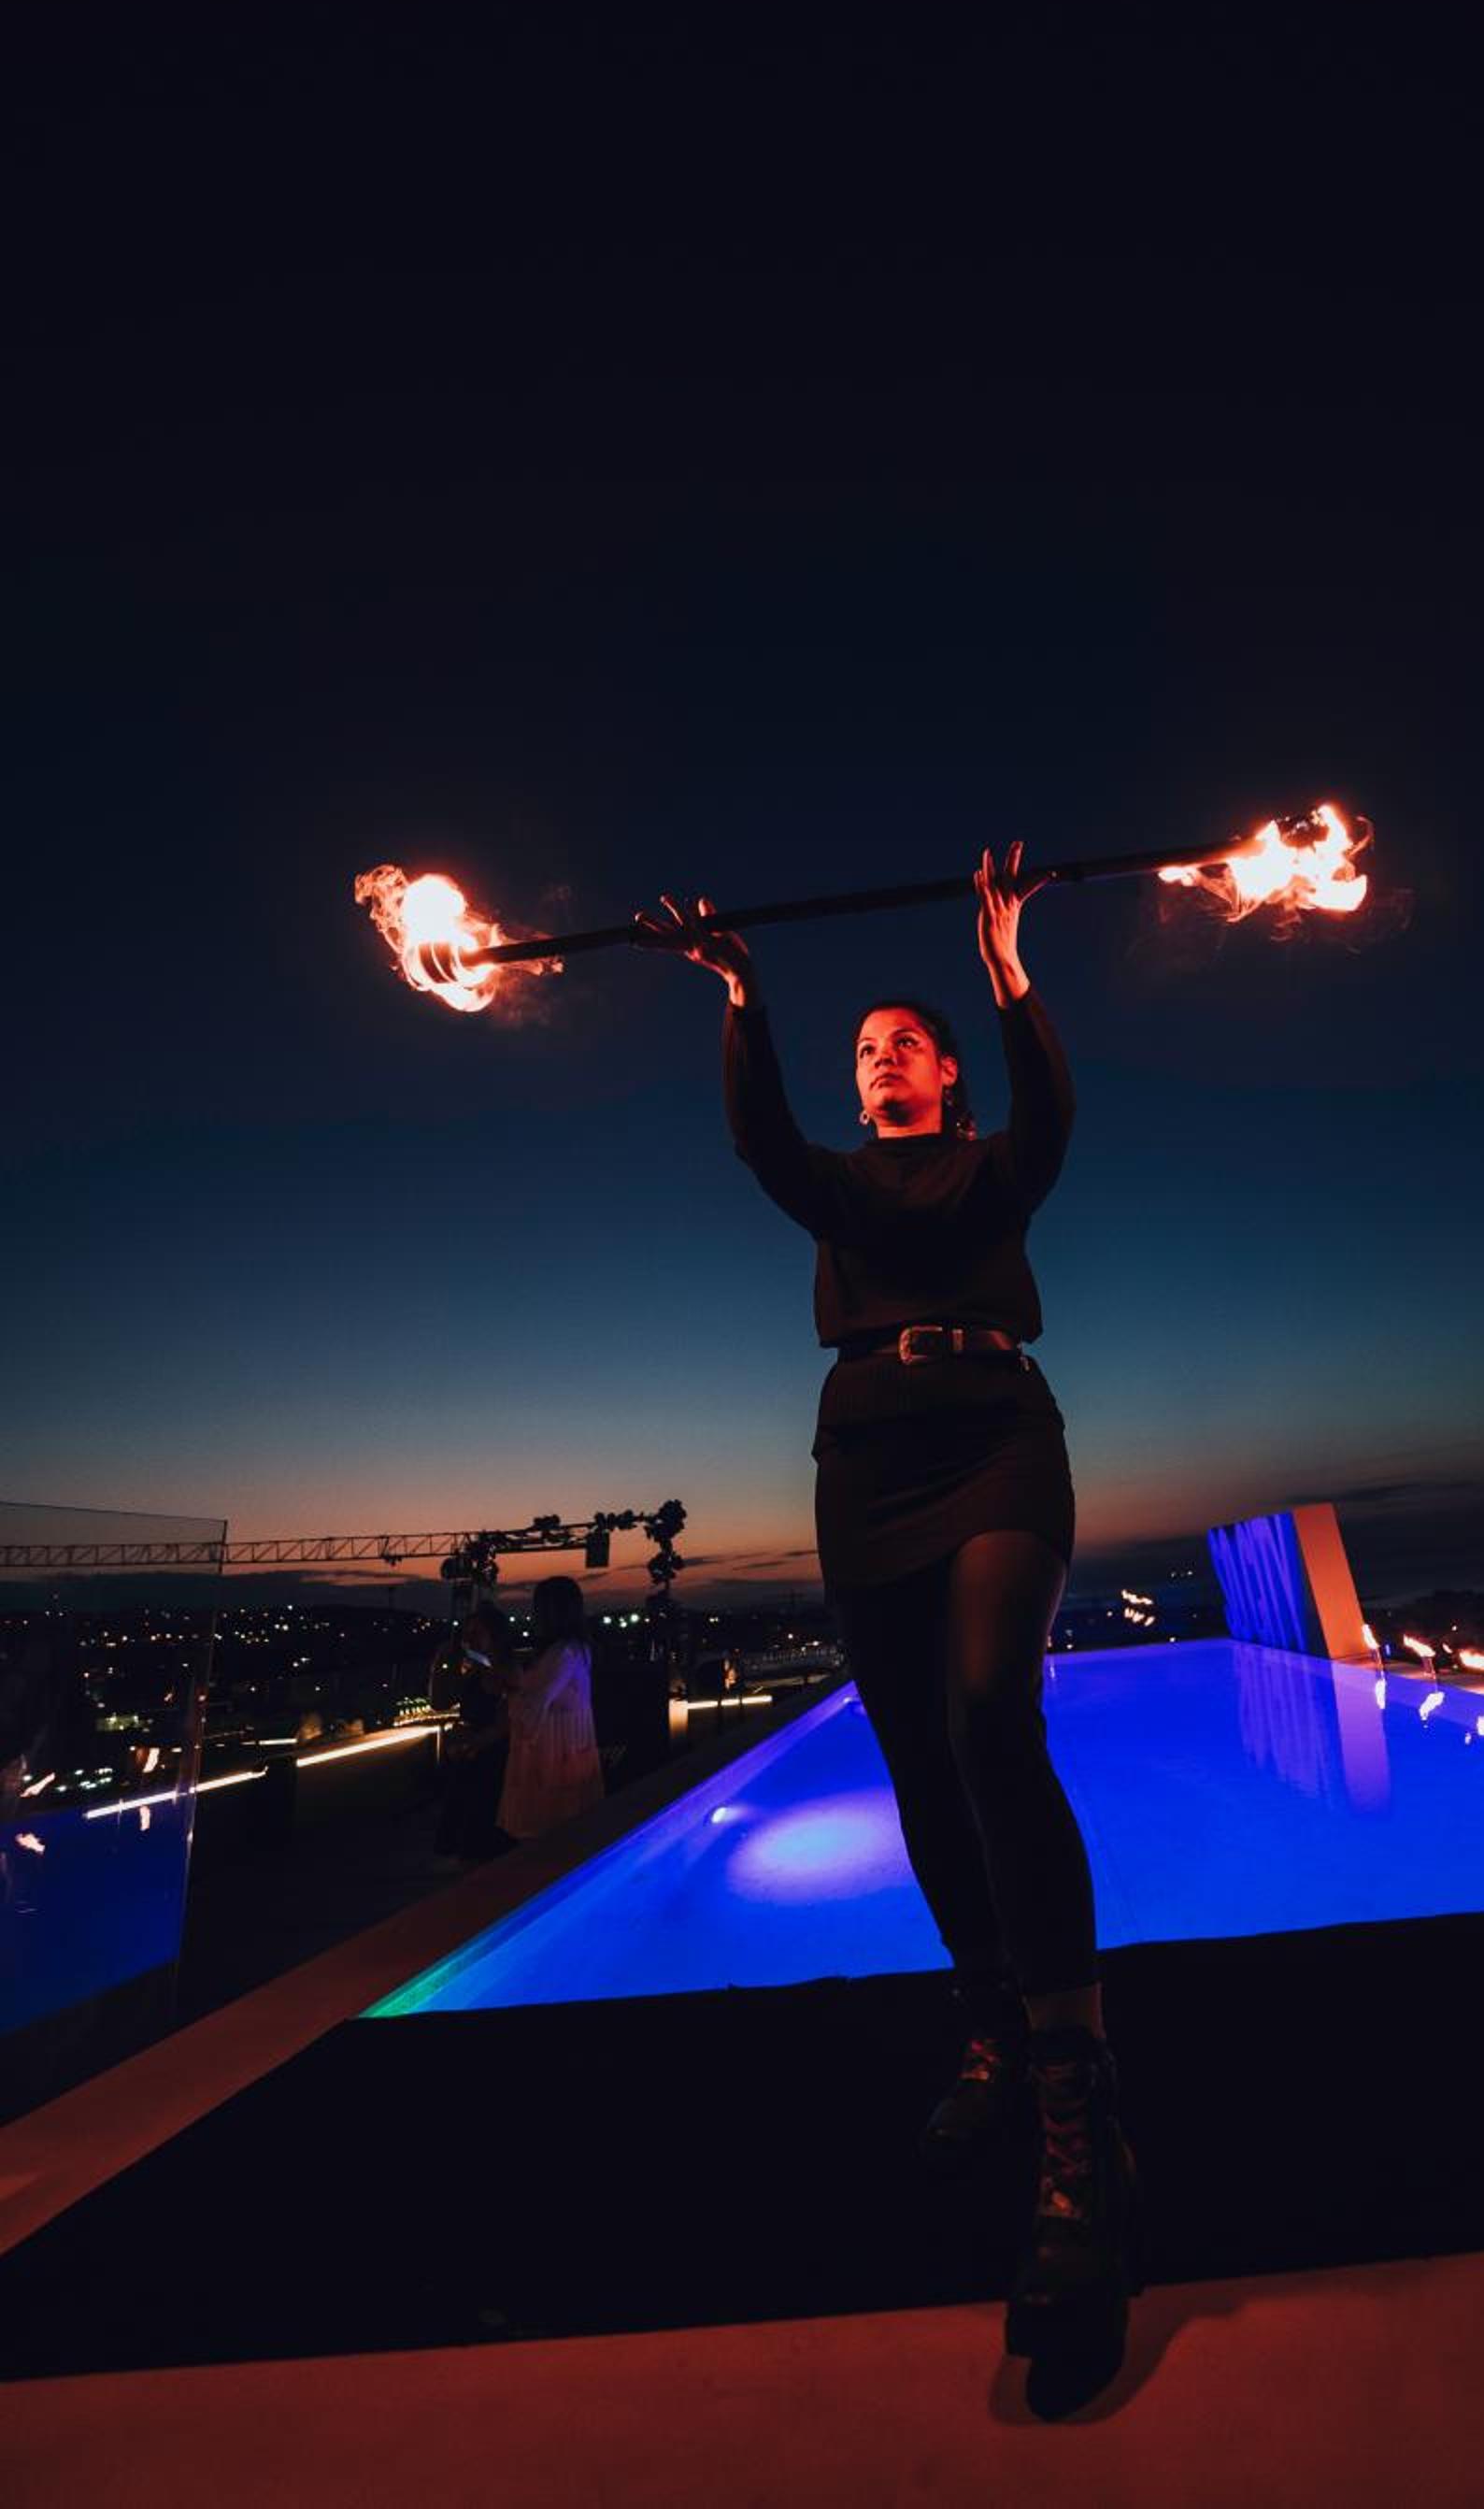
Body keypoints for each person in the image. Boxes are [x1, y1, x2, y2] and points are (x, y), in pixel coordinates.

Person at [635, 842, 1142, 2410]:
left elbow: (1054, 1118)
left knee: (991, 1709)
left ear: (948, 1075)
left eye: (906, 1041)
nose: (882, 1057)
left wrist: (1006, 971)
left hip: (996, 1439)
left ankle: (1076, 2094)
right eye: (865, 1049)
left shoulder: (993, 1172)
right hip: (865, 1465)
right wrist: (742, 998)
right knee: (920, 1760)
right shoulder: (840, 1189)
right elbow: (757, 1142)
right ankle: (989, 2018)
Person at [486, 1577, 606, 1843]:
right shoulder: (571, 1649)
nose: (535, 1614)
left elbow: (534, 1704)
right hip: (563, 1747)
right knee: (564, 1832)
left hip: (554, 1751)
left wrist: (507, 1686)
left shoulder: (565, 1652)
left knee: (551, 1831)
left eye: (540, 1608)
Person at [433, 1602, 515, 1862]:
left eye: (476, 1633)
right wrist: (441, 1663)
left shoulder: (506, 1671)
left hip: (492, 1761)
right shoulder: (473, 1672)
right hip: (470, 1759)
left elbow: (506, 1722)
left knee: (482, 1837)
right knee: (467, 1840)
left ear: (495, 1637)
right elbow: (439, 1701)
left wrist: (472, 1742)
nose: (469, 1640)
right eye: (466, 1633)